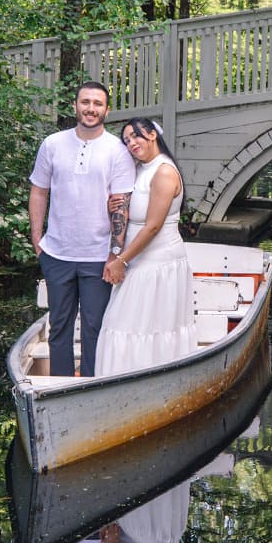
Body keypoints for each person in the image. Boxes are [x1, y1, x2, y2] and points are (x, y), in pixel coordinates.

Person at [28, 81, 136, 377]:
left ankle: (90, 386)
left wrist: (115, 253)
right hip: (57, 254)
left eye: (97, 103)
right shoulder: (52, 144)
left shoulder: (118, 151)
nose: (91, 108)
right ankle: (60, 387)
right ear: (75, 106)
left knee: (94, 328)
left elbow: (121, 206)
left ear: (107, 110)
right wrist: (37, 240)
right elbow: (39, 191)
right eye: (85, 102)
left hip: (98, 257)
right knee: (59, 328)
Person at [95, 118, 197, 377]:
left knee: (144, 325)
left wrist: (121, 261)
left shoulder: (164, 172)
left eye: (136, 136)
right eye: (127, 140)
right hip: (137, 259)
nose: (131, 143)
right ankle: (120, 381)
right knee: (124, 323)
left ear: (152, 135)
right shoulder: (140, 169)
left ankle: (151, 379)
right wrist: (113, 207)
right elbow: (131, 212)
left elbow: (152, 226)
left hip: (158, 263)